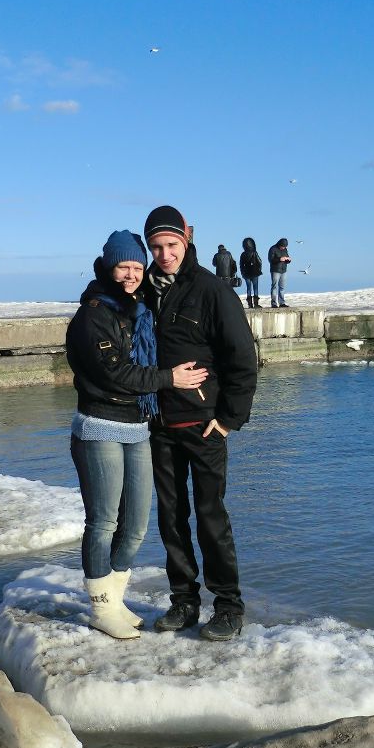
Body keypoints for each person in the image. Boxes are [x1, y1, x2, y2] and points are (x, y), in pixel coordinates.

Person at [66, 229, 208, 639]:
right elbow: (114, 372)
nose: (131, 274)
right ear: (110, 266)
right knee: (103, 522)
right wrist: (170, 379)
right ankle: (101, 608)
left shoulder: (139, 307)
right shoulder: (93, 314)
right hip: (99, 427)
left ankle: (115, 597)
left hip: (137, 425)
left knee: (136, 526)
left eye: (137, 267)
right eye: (124, 266)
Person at [143, 205, 258, 642]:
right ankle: (184, 601)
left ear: (186, 240)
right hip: (159, 426)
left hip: (204, 425)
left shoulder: (212, 291)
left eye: (171, 245)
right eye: (156, 246)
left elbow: (243, 360)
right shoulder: (146, 293)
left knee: (211, 517)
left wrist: (229, 420)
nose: (165, 254)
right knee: (171, 518)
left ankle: (228, 606)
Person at [240, 237, 263, 308]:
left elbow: (241, 265)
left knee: (248, 288)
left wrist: (242, 273)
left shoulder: (243, 254)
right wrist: (259, 269)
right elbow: (260, 262)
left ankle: (250, 305)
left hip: (246, 273)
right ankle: (256, 304)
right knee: (255, 288)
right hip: (255, 272)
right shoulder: (254, 253)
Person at [268, 238, 291, 307]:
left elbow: (286, 258)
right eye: (283, 246)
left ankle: (282, 303)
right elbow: (270, 260)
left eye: (285, 247)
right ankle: (274, 303)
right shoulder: (273, 248)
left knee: (282, 287)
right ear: (280, 244)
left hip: (284, 270)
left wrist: (288, 260)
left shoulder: (285, 249)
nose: (283, 248)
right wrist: (279, 259)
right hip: (275, 270)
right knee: (274, 286)